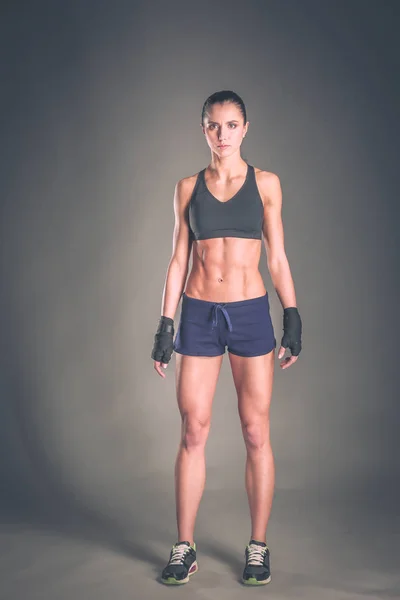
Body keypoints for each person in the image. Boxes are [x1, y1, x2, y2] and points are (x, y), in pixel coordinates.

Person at [151, 90, 302, 586]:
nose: (222, 134)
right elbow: (178, 260)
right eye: (213, 126)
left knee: (255, 432)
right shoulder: (186, 187)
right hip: (198, 315)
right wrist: (165, 323)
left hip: (251, 314)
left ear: (245, 128)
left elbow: (276, 256)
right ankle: (184, 546)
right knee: (193, 431)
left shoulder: (267, 184)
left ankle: (257, 547)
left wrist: (293, 314)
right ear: (203, 130)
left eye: (231, 125)